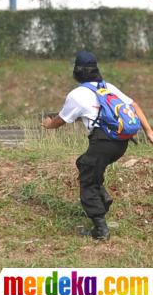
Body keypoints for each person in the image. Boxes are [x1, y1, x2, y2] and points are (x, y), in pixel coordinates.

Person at [42, 51, 153, 240]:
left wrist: (49, 125)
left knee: (88, 181)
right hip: (121, 143)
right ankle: (103, 195)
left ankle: (100, 229)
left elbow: (61, 120)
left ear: (77, 71)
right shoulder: (107, 87)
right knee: (84, 163)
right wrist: (149, 131)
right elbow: (134, 104)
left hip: (103, 142)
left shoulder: (77, 94)